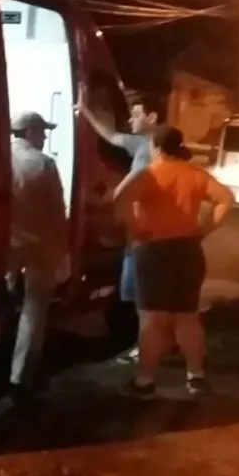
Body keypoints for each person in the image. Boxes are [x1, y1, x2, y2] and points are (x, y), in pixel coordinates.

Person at [112, 124, 234, 400]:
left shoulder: (149, 175)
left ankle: (145, 382)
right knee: (188, 317)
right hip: (188, 251)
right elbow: (226, 199)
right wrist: (203, 229)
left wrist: (134, 229)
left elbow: (119, 198)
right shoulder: (195, 174)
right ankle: (196, 378)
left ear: (155, 147)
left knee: (152, 320)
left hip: (153, 250)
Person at [76, 88, 158, 363]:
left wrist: (103, 201)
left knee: (144, 294)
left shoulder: (157, 151)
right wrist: (85, 109)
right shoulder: (139, 144)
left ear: (153, 117)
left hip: (146, 234)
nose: (131, 119)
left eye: (136, 114)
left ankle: (147, 349)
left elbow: (129, 190)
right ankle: (153, 343)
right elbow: (110, 135)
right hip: (135, 233)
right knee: (135, 291)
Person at [7, 111, 70, 401]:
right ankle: (22, 377)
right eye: (42, 131)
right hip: (38, 248)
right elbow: (58, 213)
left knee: (6, 306)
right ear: (30, 132)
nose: (44, 137)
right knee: (34, 313)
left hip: (5, 247)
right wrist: (64, 252)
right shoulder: (43, 164)